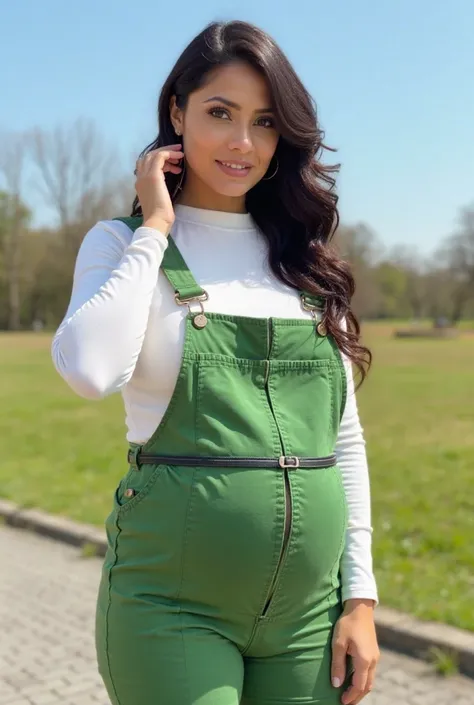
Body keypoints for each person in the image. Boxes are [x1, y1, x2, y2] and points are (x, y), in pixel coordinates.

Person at [52, 20, 380, 705]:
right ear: (178, 112)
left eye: (264, 122)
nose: (242, 142)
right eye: (220, 113)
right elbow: (88, 369)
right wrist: (156, 227)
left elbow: (343, 439)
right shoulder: (120, 245)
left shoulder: (305, 262)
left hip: (307, 620)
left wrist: (362, 598)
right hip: (172, 607)